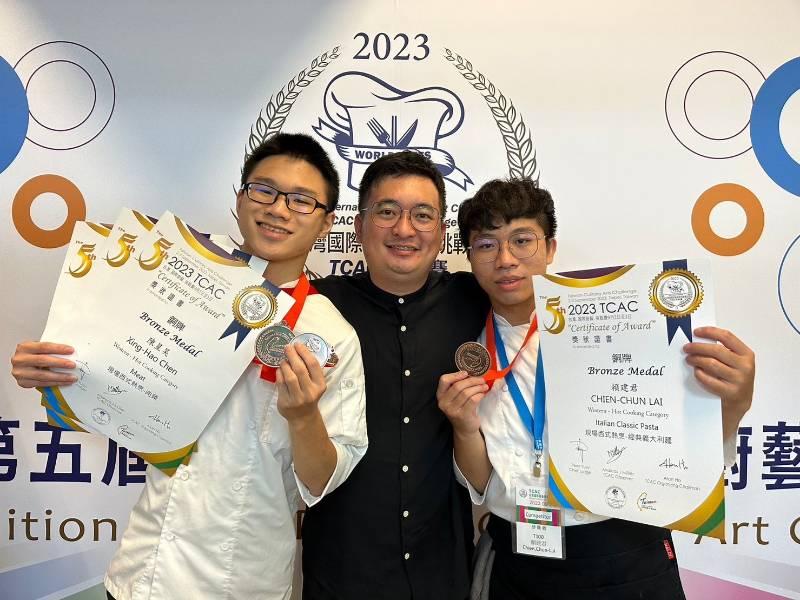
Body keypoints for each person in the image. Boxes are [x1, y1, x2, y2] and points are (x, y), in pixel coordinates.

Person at [10, 133, 368, 600]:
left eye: (301, 200)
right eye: (264, 190)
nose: (279, 210)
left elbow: (322, 481)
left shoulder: (331, 335)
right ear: (240, 198)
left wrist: (302, 416)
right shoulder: (174, 276)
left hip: (242, 583)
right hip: (141, 570)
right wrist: (49, 372)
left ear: (326, 222)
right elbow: (109, 372)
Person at [436, 177, 755, 599]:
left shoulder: (620, 329)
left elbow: (681, 450)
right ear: (470, 257)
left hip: (620, 550)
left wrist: (735, 403)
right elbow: (482, 483)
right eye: (486, 245)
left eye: (522, 241)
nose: (506, 259)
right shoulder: (468, 348)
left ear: (550, 248)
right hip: (516, 557)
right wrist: (463, 426)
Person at [303, 151, 489, 599]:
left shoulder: (476, 300)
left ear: (441, 233)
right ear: (358, 226)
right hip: (342, 570)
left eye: (422, 215)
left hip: (441, 570)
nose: (404, 230)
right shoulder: (314, 310)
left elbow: (547, 319)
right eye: (387, 212)